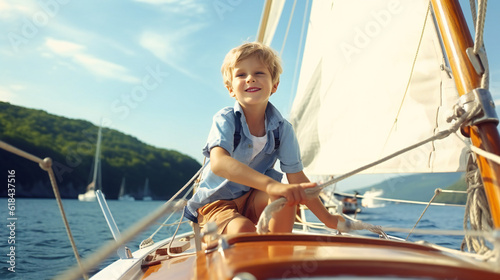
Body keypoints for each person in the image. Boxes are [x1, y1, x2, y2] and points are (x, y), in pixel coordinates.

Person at [185, 42, 344, 235]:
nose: (250, 79)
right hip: (215, 204)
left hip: (253, 199)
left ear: (274, 85)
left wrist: (327, 218)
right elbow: (219, 163)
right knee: (243, 228)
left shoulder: (282, 130)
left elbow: (296, 178)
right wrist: (271, 184)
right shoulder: (226, 119)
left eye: (259, 73)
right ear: (231, 89)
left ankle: (277, 253)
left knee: (282, 198)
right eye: (241, 75)